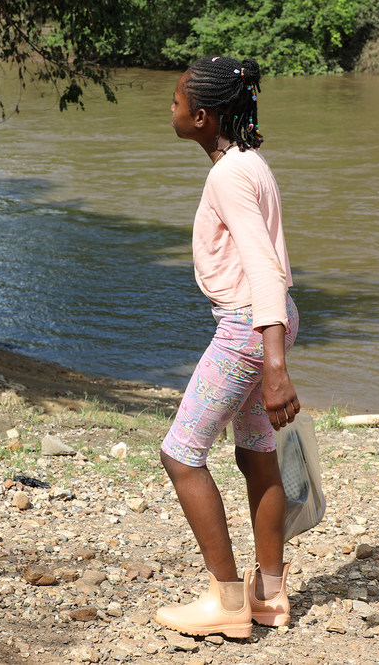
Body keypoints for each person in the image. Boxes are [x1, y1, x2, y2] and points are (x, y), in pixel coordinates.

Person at [155, 55, 301, 638]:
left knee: (182, 452)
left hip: (249, 330)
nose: (172, 109)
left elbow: (264, 269)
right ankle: (270, 595)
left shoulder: (227, 175)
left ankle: (227, 601)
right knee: (255, 454)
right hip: (266, 324)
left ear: (203, 116)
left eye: (176, 102)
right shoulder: (250, 162)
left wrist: (275, 366)